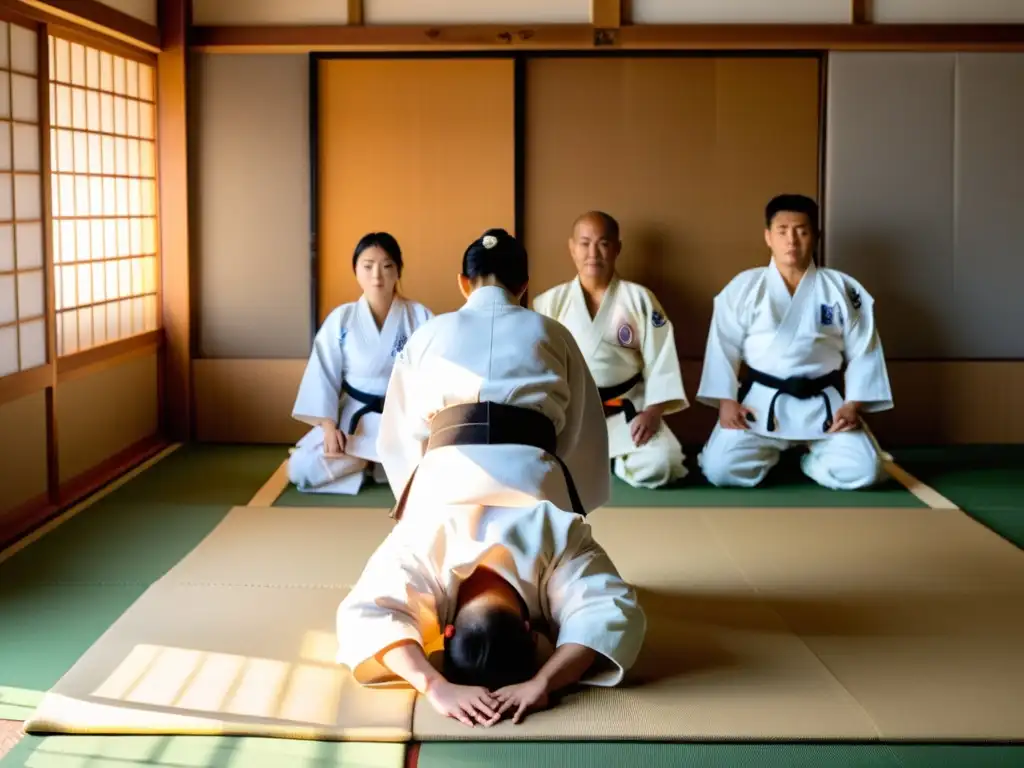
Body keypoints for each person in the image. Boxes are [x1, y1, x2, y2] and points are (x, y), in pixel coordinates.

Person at [335, 228, 646, 727]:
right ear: (525, 285)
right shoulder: (554, 334)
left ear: (464, 282)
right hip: (531, 479)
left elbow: (401, 438)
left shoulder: (429, 334)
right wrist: (543, 684)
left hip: (445, 480)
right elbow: (581, 435)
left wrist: (431, 687)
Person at [695, 194, 894, 490]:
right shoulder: (744, 287)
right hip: (761, 403)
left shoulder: (842, 289)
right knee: (720, 470)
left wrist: (853, 404)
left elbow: (864, 351)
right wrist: (726, 400)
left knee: (867, 471)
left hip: (824, 406)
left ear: (816, 236)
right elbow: (722, 347)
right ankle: (770, 453)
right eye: (782, 231)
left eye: (801, 231)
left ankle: (809, 462)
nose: (792, 240)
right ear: (768, 237)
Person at [532, 211, 689, 489]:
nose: (593, 252)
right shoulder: (549, 302)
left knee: (663, 462)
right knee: (531, 464)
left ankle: (618, 460)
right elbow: (539, 367)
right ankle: (604, 456)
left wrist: (652, 413)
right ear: (572, 247)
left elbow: (661, 357)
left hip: (628, 412)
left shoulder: (639, 298)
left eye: (603, 243)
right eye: (584, 243)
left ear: (617, 248)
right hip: (572, 415)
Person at [288, 232, 433, 494]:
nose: (377, 276)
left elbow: (435, 374)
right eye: (368, 266)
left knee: (440, 466)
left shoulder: (419, 316)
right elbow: (323, 373)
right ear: (356, 270)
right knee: (300, 467)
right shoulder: (342, 318)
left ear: (398, 270)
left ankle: (371, 459)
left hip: (403, 418)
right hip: (354, 420)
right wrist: (329, 427)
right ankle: (369, 459)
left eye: (387, 266)